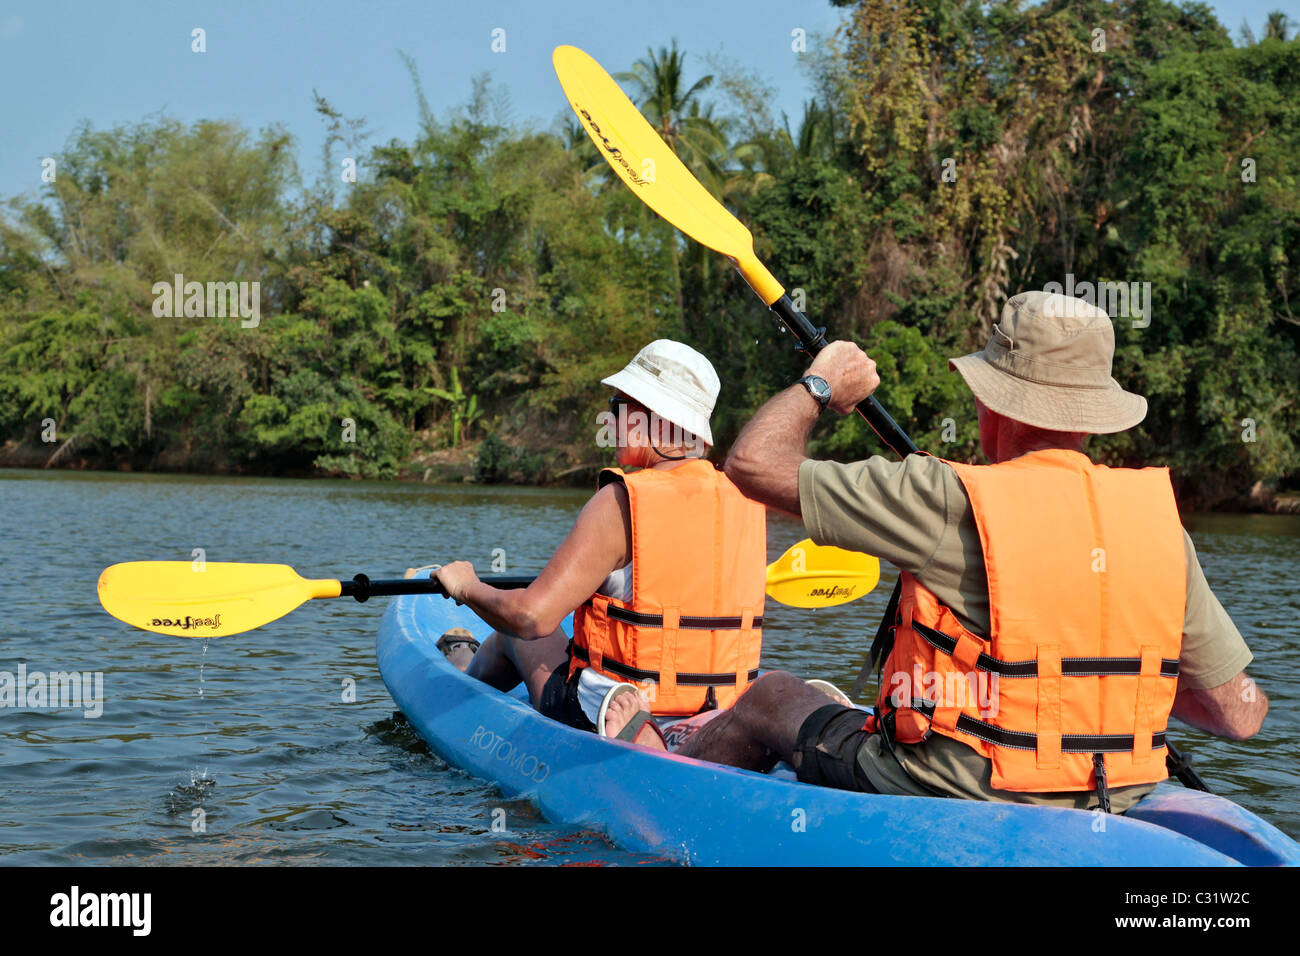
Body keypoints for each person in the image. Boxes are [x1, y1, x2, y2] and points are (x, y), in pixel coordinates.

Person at [665, 291, 1266, 813]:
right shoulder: (1156, 525)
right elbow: (1241, 713)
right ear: (1092, 414)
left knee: (771, 694)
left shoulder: (943, 495)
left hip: (947, 794)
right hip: (1113, 797)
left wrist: (821, 383)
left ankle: (664, 783)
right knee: (828, 700)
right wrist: (1111, 692)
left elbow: (751, 465)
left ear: (994, 403)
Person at [425, 340, 767, 747]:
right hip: (718, 705)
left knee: (516, 635)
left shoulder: (622, 499)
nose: (612, 418)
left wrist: (467, 586)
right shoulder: (745, 495)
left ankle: (459, 691)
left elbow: (532, 616)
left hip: (619, 704)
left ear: (649, 417)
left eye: (618, 405)